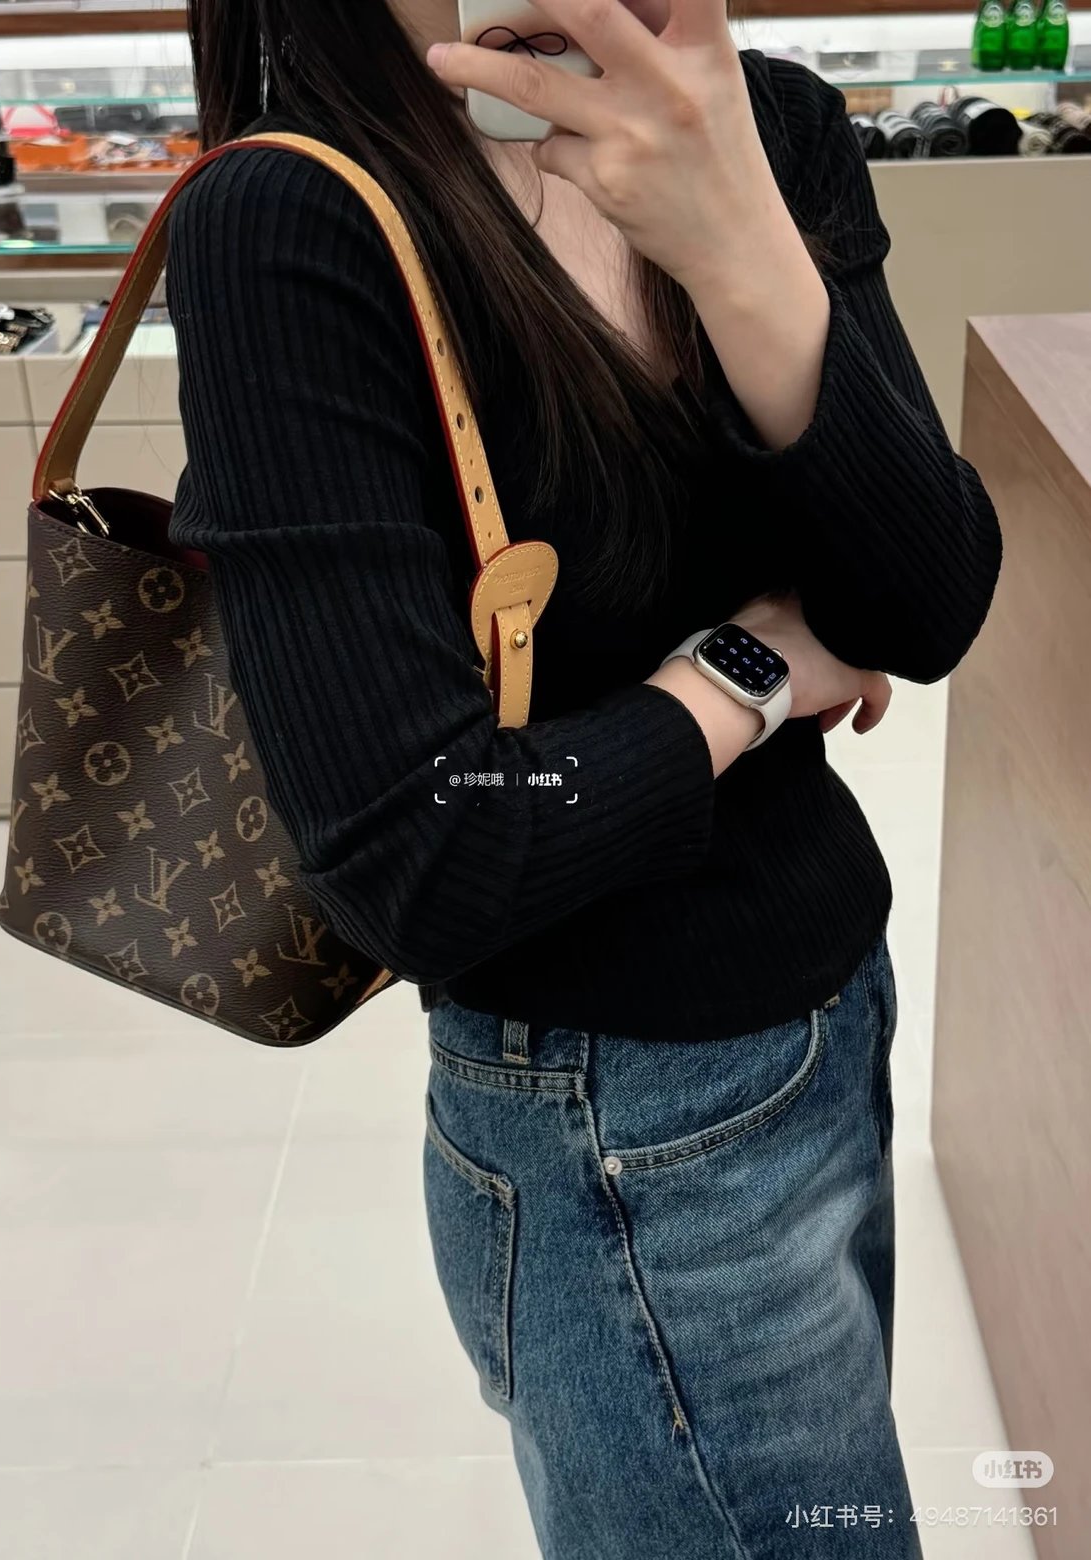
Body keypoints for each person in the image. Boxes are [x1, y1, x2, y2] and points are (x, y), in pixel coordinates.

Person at [167, 2, 1002, 1554]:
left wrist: (739, 246)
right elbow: (424, 852)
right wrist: (745, 671)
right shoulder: (298, 212)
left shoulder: (767, 128)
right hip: (608, 1104)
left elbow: (921, 605)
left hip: (830, 1005)